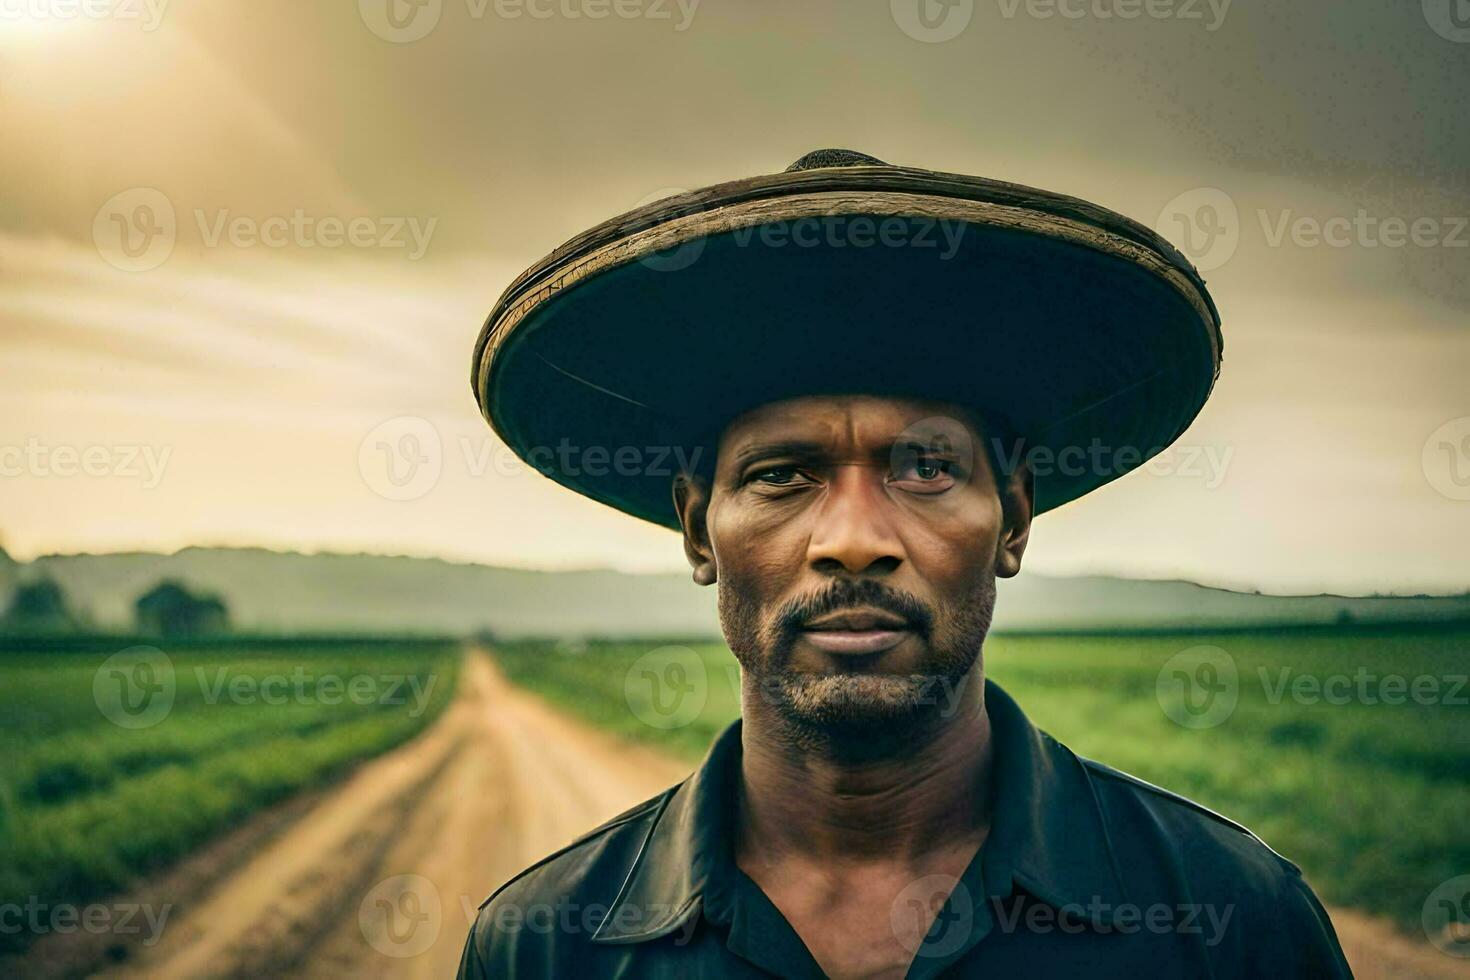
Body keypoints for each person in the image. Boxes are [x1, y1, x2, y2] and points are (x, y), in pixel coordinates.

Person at [456, 150, 1352, 978]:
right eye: (780, 475)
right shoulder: (545, 949)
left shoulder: (1230, 921)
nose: (852, 537)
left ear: (1014, 519)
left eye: (927, 468)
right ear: (699, 532)